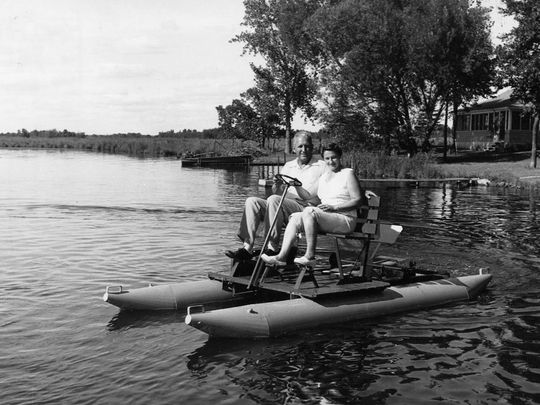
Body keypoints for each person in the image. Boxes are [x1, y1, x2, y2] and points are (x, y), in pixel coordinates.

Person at [261, 143, 368, 266]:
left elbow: (357, 200)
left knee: (310, 211)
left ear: (340, 157)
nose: (331, 161)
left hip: (345, 219)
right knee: (296, 217)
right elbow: (307, 195)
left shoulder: (348, 173)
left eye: (334, 158)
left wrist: (334, 207)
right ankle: (281, 257)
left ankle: (310, 256)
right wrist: (296, 185)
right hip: (328, 217)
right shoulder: (324, 177)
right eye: (327, 158)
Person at [225, 131, 326, 261]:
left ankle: (272, 247)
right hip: (282, 205)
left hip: (305, 209)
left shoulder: (321, 166)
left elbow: (310, 195)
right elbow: (277, 193)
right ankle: (247, 248)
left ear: (312, 147)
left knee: (273, 200)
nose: (304, 150)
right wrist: (277, 186)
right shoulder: (289, 166)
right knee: (252, 201)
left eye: (307, 146)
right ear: (294, 148)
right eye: (300, 146)